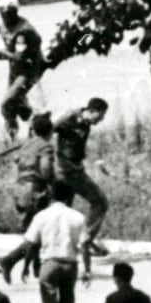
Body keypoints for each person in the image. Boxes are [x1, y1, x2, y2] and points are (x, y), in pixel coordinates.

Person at [0, 181, 92, 303]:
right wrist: (87, 270)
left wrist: (25, 266)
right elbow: (85, 245)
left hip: (48, 265)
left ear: (51, 195)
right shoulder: (78, 216)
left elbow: (31, 244)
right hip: (70, 265)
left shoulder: (41, 216)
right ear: (69, 196)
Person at [0, 0, 44, 140]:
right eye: (3, 15)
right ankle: (28, 128)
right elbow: (1, 28)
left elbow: (20, 57)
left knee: (7, 103)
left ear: (15, 12)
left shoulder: (23, 32)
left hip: (28, 71)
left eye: (9, 15)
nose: (6, 18)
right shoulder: (6, 22)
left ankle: (29, 126)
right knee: (16, 104)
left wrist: (4, 54)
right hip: (15, 71)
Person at [54, 97, 111, 255]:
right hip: (68, 171)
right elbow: (48, 129)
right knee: (100, 201)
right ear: (92, 111)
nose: (100, 121)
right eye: (100, 116)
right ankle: (85, 241)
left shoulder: (85, 123)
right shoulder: (70, 116)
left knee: (63, 211)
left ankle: (63, 248)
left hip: (71, 170)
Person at [13, 112, 55, 280]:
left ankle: (33, 266)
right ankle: (14, 261)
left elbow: (17, 162)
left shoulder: (25, 145)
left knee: (29, 230)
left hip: (19, 189)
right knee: (39, 231)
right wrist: (51, 183)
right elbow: (45, 169)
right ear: (50, 131)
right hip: (35, 189)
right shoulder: (45, 146)